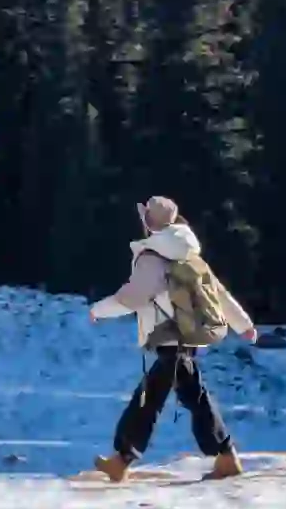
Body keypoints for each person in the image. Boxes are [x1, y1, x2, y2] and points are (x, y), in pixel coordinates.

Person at [88, 195, 257, 482]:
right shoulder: (189, 253)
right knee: (181, 397)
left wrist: (99, 310)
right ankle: (224, 457)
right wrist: (243, 324)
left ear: (149, 222)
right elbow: (218, 293)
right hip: (187, 336)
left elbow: (133, 296)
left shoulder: (153, 256)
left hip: (169, 338)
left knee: (152, 399)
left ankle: (123, 459)